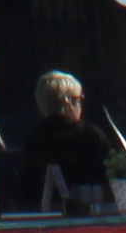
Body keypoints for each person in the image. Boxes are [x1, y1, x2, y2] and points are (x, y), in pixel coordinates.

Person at [28, 71, 113, 212]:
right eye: (80, 99)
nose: (81, 104)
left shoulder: (35, 139)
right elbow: (113, 180)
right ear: (69, 102)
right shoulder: (89, 135)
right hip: (91, 214)